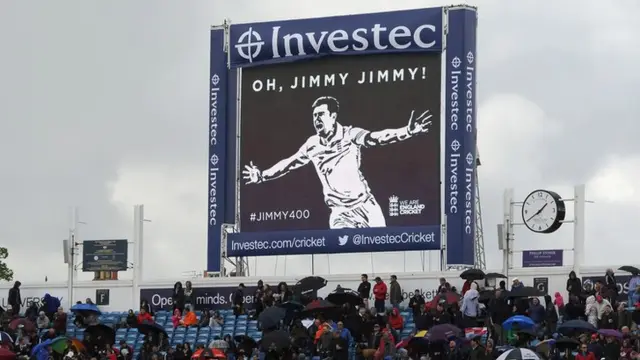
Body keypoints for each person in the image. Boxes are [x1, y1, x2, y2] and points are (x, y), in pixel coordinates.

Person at [242, 95, 433, 229]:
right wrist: (262, 176)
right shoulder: (312, 144)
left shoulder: (349, 134)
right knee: (346, 250)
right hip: (340, 213)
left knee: (386, 250)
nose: (316, 119)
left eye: (321, 114)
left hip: (366, 206)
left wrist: (407, 132)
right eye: (314, 115)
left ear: (333, 116)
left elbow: (376, 138)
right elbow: (289, 163)